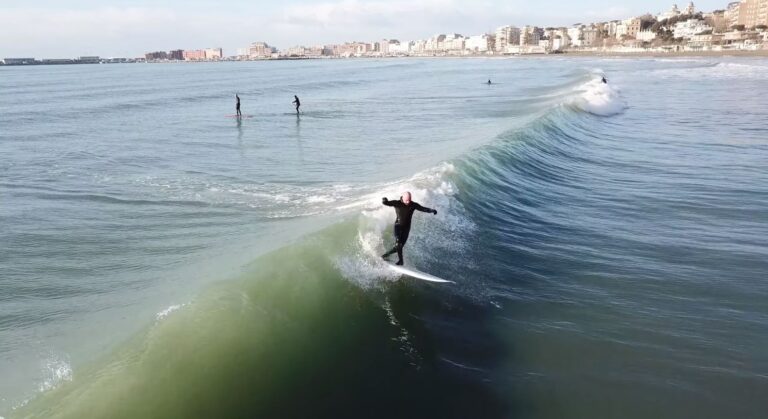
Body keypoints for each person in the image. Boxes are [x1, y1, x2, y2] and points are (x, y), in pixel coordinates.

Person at [381, 192, 437, 265]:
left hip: (406, 229)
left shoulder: (413, 205)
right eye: (406, 200)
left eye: (409, 200)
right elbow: (387, 203)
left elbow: (423, 209)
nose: (408, 202)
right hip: (398, 226)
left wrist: (431, 210)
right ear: (402, 198)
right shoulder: (397, 203)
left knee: (398, 247)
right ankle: (401, 261)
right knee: (398, 244)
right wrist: (384, 201)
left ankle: (385, 255)